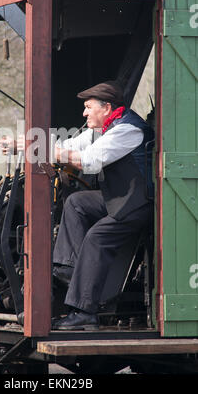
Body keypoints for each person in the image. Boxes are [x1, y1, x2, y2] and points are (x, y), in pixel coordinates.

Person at [52, 80, 154, 330]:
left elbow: (90, 161)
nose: (84, 112)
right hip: (119, 199)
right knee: (77, 203)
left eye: (88, 107)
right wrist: (26, 148)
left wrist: (49, 151)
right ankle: (70, 268)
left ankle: (85, 312)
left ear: (106, 108)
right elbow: (68, 147)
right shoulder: (103, 129)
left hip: (138, 204)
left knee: (97, 237)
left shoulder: (127, 130)